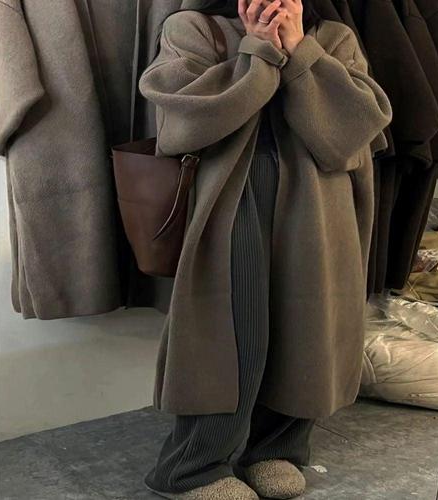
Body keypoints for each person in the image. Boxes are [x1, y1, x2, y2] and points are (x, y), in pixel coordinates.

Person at [139, 0, 392, 498]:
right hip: (230, 203)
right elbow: (182, 127)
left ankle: (278, 450)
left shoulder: (333, 37)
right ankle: (193, 466)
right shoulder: (194, 30)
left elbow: (352, 134)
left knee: (307, 329)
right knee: (231, 332)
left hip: (318, 208)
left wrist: (300, 50)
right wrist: (257, 52)